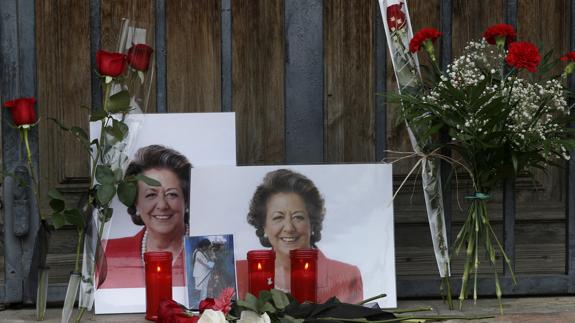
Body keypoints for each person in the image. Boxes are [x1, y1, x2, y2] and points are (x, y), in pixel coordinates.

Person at [236, 169, 363, 303]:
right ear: (263, 226)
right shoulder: (238, 274)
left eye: (298, 217)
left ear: (312, 223)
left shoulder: (347, 276)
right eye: (278, 217)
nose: (289, 228)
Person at [99, 144, 191, 289]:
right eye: (151, 195)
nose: (162, 205)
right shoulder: (108, 253)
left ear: (185, 201)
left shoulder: (212, 252)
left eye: (172, 194)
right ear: (136, 203)